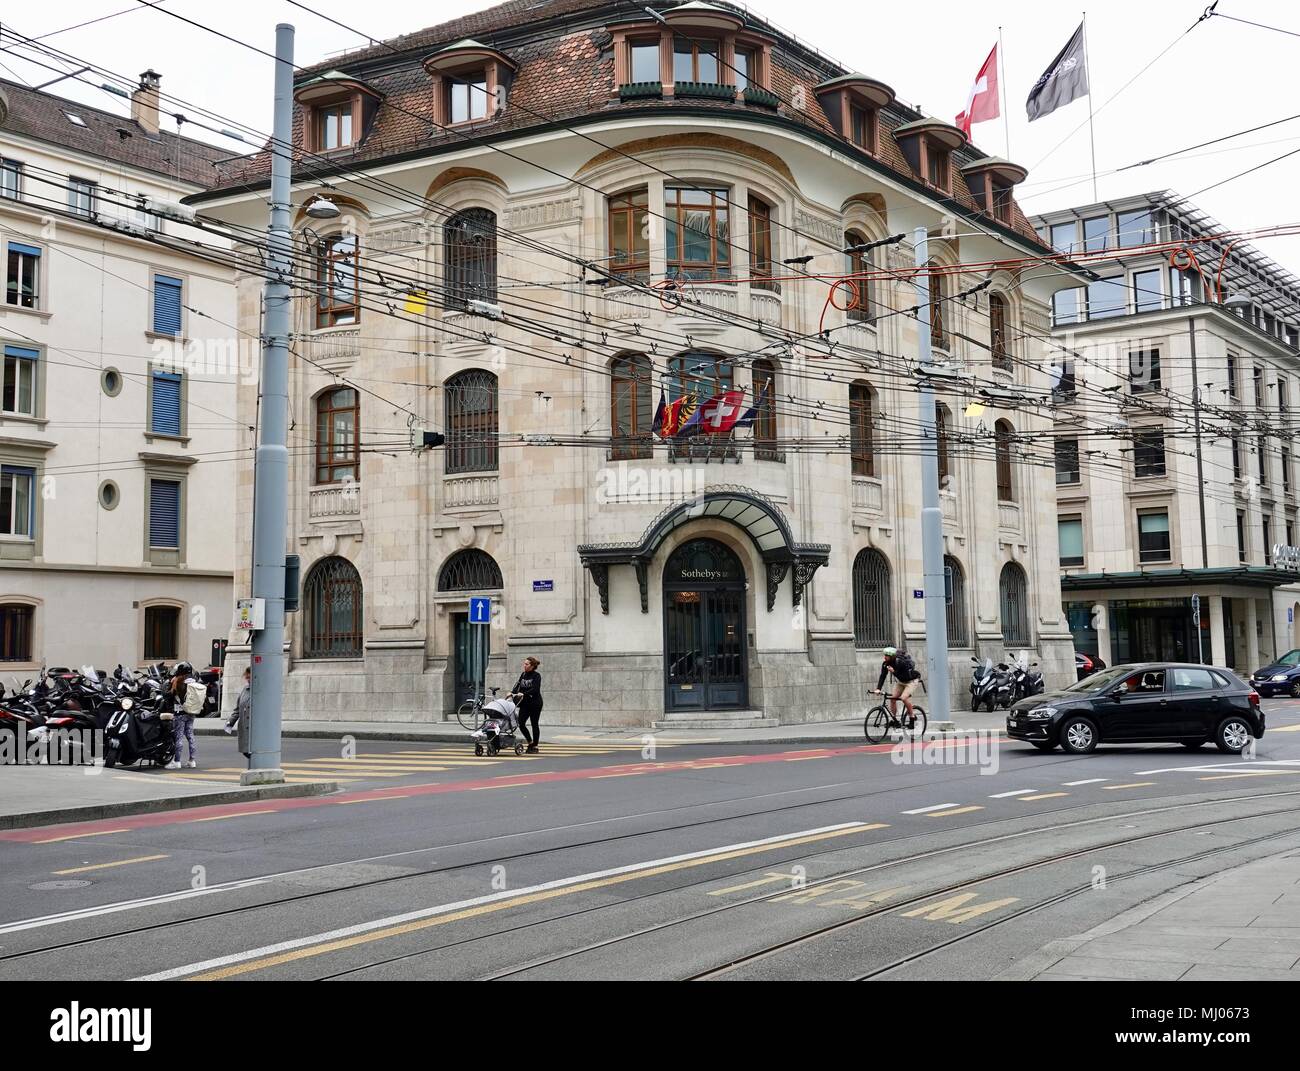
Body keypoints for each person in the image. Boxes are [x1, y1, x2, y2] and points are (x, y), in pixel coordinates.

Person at [164, 662, 200, 770]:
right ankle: (192, 761)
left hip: (179, 714)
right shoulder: (194, 681)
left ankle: (177, 761)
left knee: (178, 737)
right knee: (190, 736)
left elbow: (168, 695)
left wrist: (171, 685)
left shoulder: (177, 681)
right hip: (191, 712)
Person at [873, 645, 921, 727]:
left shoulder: (901, 663)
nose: (885, 657)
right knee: (892, 699)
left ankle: (912, 718)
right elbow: (883, 676)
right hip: (901, 682)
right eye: (884, 655)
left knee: (904, 698)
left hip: (911, 681)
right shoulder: (886, 664)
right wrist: (878, 688)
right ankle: (894, 720)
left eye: (887, 656)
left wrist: (893, 671)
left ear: (892, 657)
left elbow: (904, 676)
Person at [511, 656, 543, 754]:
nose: (524, 666)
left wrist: (524, 694)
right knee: (521, 723)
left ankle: (535, 746)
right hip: (524, 703)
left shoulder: (536, 676)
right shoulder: (523, 674)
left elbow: (535, 689)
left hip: (535, 703)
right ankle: (530, 741)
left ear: (532, 666)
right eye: (524, 664)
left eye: (526, 664)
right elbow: (517, 685)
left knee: (534, 724)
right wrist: (512, 692)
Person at [225, 667, 250, 745]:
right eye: (247, 678)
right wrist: (230, 722)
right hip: (245, 728)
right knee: (246, 751)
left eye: (250, 677)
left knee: (254, 753)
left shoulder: (262, 691)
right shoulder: (245, 690)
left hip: (257, 730)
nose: (248, 680)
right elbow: (238, 709)